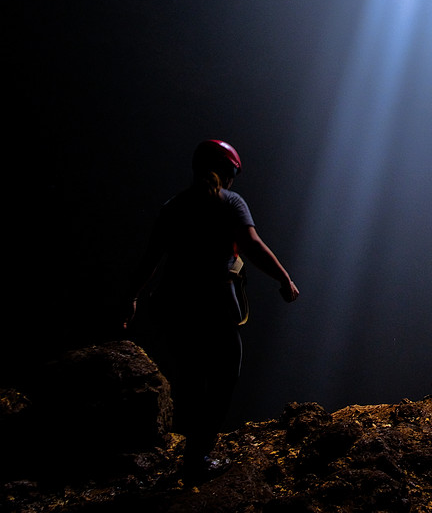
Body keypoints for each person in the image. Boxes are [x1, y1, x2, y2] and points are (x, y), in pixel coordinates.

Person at [124, 139, 300, 482]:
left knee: (190, 379)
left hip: (176, 308)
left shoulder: (173, 206)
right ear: (230, 171)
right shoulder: (230, 202)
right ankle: (198, 456)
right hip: (216, 307)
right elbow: (252, 245)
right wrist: (284, 278)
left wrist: (130, 296)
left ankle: (194, 453)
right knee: (224, 377)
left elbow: (151, 259)